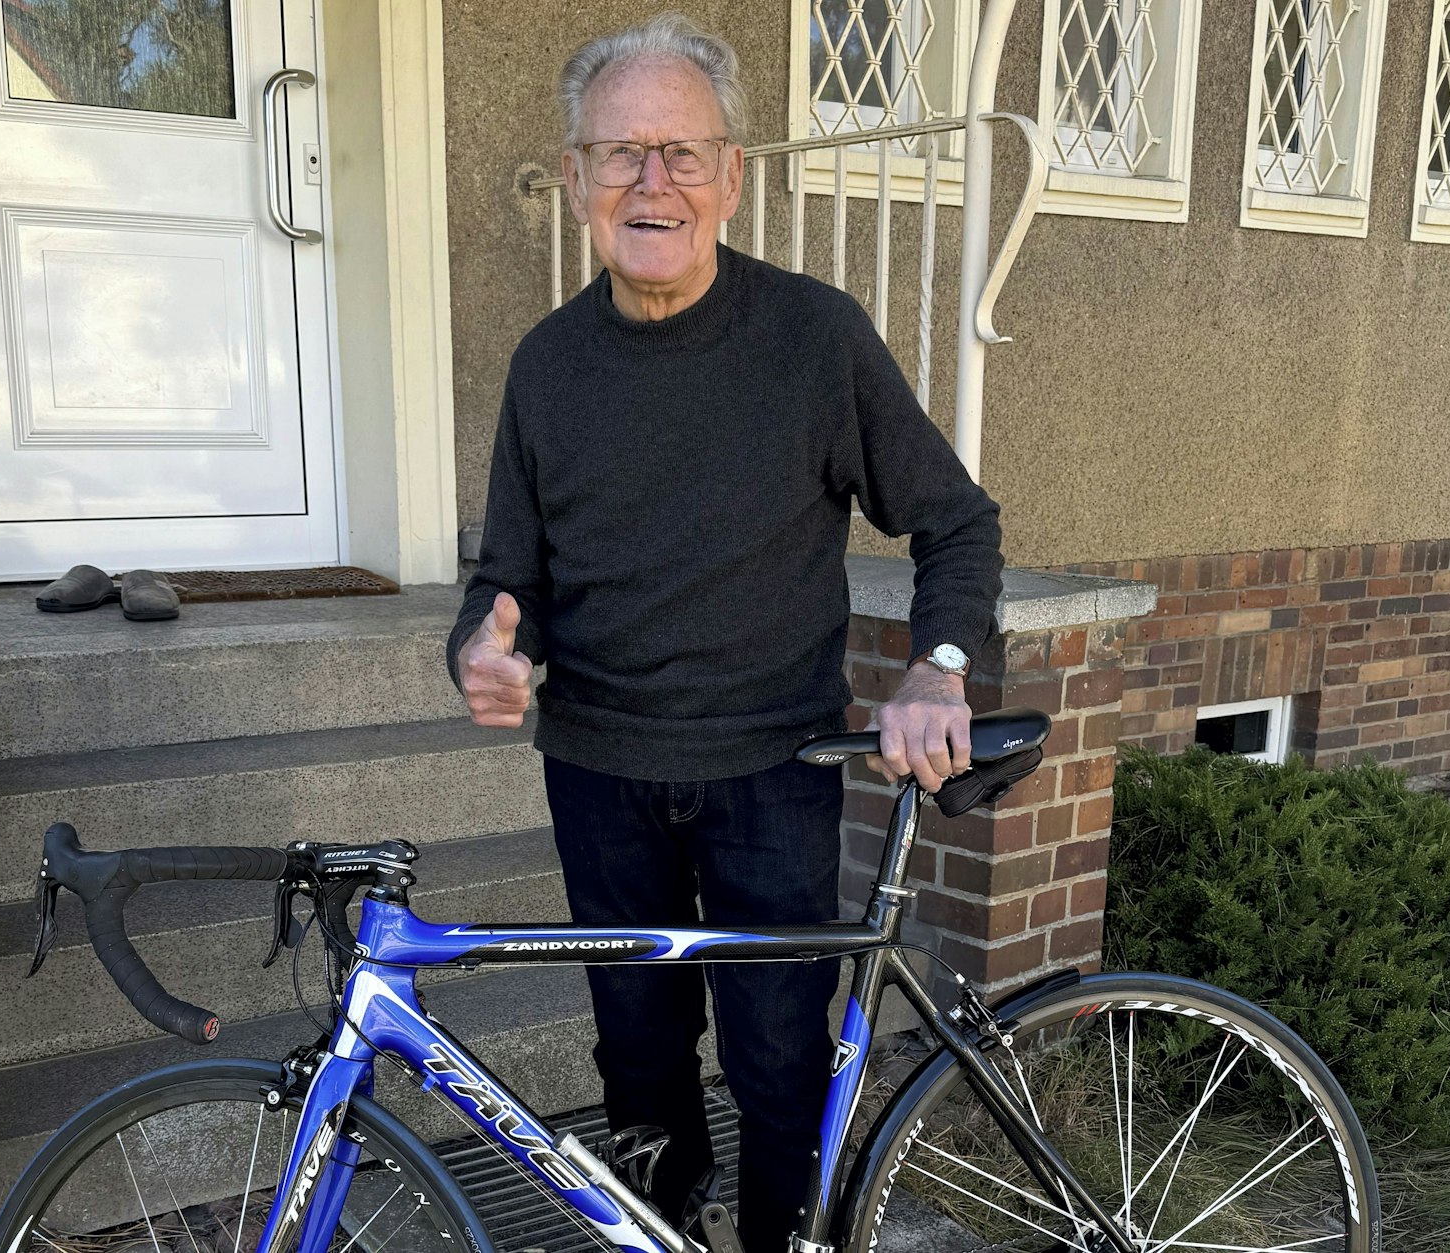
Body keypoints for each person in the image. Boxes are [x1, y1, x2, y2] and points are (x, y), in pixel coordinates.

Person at [447, 13, 1002, 1249]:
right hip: (598, 770)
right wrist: (484, 653)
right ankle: (660, 1227)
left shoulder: (814, 338)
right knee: (636, 1062)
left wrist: (940, 662)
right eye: (620, 153)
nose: (652, 182)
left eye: (681, 152)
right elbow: (507, 578)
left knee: (774, 1060)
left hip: (772, 772)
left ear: (732, 175)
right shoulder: (546, 366)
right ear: (578, 175)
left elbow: (955, 524)